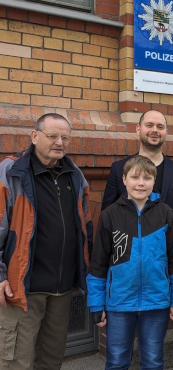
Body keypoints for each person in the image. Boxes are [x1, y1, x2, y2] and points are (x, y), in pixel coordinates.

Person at [0, 113, 92, 370]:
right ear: (34, 136)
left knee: (51, 361)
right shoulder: (11, 171)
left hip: (62, 289)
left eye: (65, 137)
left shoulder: (75, 175)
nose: (59, 142)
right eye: (53, 136)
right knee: (16, 362)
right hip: (22, 290)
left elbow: (87, 230)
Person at [87, 155, 173, 369]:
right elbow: (98, 264)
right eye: (134, 177)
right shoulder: (110, 216)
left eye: (147, 178)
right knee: (116, 360)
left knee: (152, 360)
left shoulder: (166, 214)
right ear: (124, 180)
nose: (140, 183)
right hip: (119, 303)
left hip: (156, 301)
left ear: (154, 180)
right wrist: (97, 303)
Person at [102, 110, 173, 274]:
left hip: (166, 264)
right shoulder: (119, 169)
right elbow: (107, 220)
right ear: (138, 129)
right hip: (126, 263)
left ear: (166, 132)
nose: (155, 130)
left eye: (160, 126)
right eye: (149, 125)